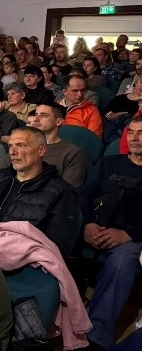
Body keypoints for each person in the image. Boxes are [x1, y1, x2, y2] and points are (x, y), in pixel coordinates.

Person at [82, 117, 142, 350]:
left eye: (141, 133)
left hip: (133, 237)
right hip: (95, 227)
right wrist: (88, 223)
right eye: (131, 132)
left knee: (120, 263)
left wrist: (127, 234)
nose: (135, 138)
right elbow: (85, 195)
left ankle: (96, 337)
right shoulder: (109, 163)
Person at [0, 127, 80, 256]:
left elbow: (57, 247)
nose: (12, 152)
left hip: (20, 258)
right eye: (10, 146)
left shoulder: (62, 192)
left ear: (41, 150)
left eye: (21, 145)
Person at [30, 103, 87, 189]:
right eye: (36, 114)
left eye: (44, 115)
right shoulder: (20, 145)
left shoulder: (72, 153)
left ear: (58, 122)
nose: (36, 119)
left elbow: (68, 190)